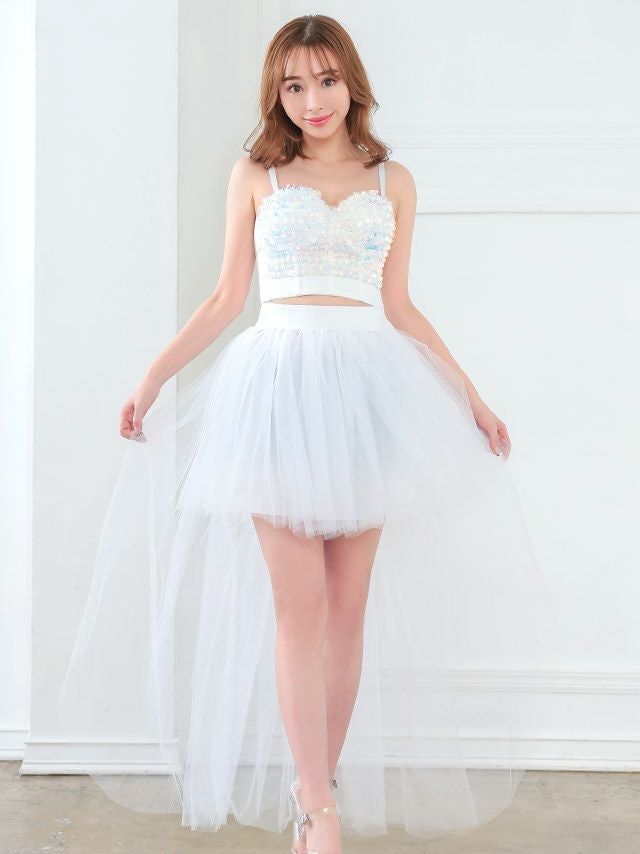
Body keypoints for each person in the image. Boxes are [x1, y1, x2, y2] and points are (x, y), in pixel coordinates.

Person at [57, 14, 563, 854]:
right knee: (300, 606)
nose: (312, 100)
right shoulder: (257, 173)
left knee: (346, 608)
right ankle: (318, 808)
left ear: (351, 82)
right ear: (277, 94)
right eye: (293, 86)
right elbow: (227, 298)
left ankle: (315, 784)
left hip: (367, 393)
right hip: (277, 390)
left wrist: (471, 397)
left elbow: (400, 307)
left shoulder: (392, 180)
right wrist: (153, 377)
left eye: (325, 80)